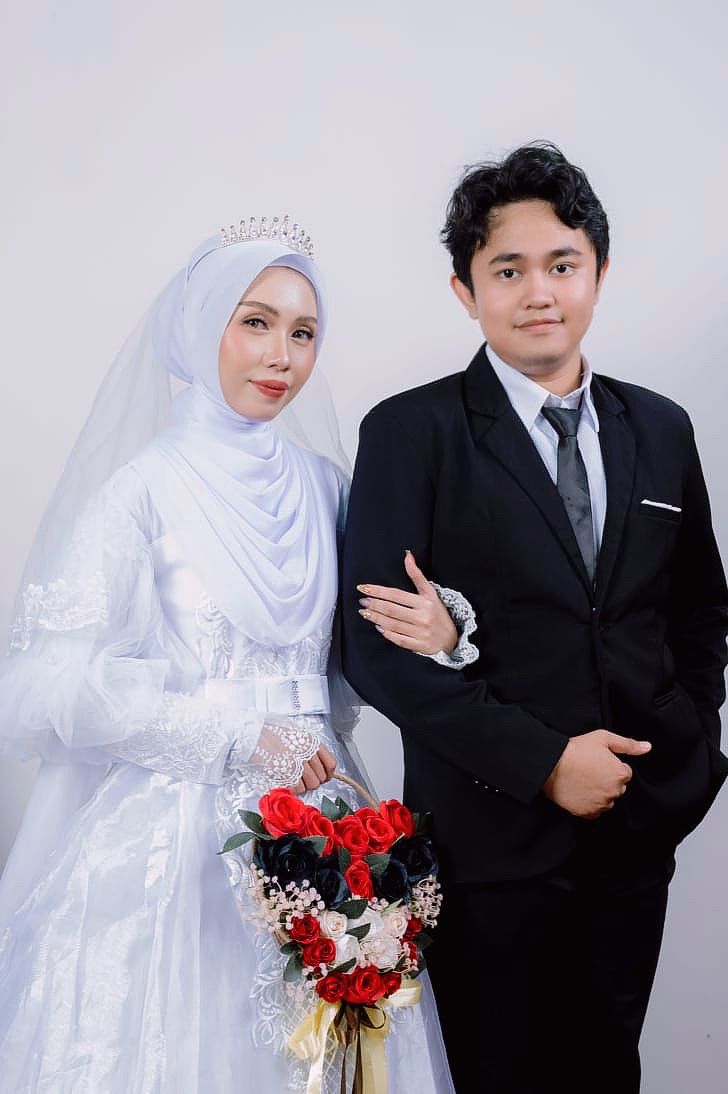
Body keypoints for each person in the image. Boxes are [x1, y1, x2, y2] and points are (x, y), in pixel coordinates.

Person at [0, 219, 459, 1092]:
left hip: (325, 823)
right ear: (201, 324)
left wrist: (448, 632)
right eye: (255, 322)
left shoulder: (325, 485)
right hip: (174, 839)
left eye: (304, 331)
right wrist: (234, 737)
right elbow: (48, 684)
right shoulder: (141, 490)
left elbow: (369, 641)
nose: (281, 355)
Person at [341, 143, 728, 1093]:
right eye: (507, 270)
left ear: (599, 271)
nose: (539, 292)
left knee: (609, 1072)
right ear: (465, 290)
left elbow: (698, 610)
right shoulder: (412, 432)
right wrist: (545, 762)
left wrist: (687, 754)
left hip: (635, 832)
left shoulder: (661, 427)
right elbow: (374, 652)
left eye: (562, 264)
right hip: (488, 842)